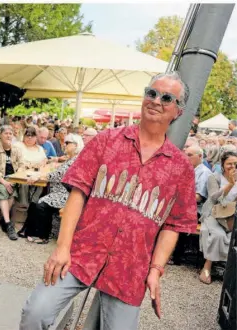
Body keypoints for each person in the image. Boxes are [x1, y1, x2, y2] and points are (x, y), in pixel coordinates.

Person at [20, 72, 197, 330]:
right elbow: (77, 193)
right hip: (81, 253)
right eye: (152, 93)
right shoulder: (106, 141)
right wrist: (62, 247)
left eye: (167, 98)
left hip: (130, 268)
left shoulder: (181, 168)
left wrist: (156, 270)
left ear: (178, 111)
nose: (157, 101)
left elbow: (173, 224)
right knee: (35, 313)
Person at [18, 134, 84, 244]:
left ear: (76, 145)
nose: (64, 144)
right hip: (61, 192)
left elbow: (56, 174)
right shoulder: (72, 158)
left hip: (67, 194)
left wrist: (38, 176)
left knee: (41, 204)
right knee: (36, 201)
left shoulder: (75, 160)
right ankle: (29, 231)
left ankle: (42, 236)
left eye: (68, 143)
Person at [199, 151, 237, 284]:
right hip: (213, 213)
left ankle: (228, 269)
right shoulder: (214, 177)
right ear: (222, 164)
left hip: (230, 215)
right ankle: (207, 267)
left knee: (232, 237)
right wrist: (230, 184)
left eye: (235, 164)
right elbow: (214, 198)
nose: (233, 166)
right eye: (229, 164)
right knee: (218, 235)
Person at [0, 125, 24, 240]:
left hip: (13, 179)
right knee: (4, 191)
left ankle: (3, 219)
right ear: (0, 136)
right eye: (6, 133)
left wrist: (16, 177)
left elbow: (22, 164)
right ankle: (8, 224)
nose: (9, 135)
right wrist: (4, 182)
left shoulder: (16, 149)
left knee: (12, 192)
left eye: (10, 133)